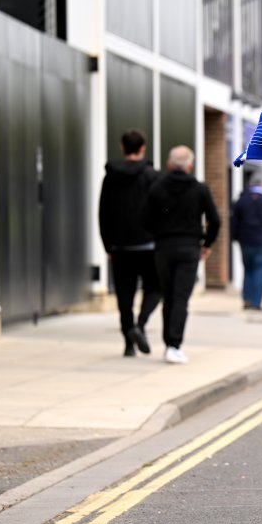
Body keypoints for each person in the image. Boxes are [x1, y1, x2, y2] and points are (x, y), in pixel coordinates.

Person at [141, 146, 221, 364]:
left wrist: (159, 233)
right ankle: (174, 345)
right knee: (181, 298)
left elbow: (144, 219)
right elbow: (215, 220)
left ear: (168, 164)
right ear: (190, 165)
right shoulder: (200, 189)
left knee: (168, 296)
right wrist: (207, 243)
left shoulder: (157, 188)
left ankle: (169, 343)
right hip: (189, 247)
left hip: (164, 248)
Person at [98, 129, 161, 357]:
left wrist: (107, 245)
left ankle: (129, 343)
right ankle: (140, 325)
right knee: (155, 287)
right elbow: (161, 209)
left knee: (124, 295)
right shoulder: (152, 176)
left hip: (119, 246)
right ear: (142, 148)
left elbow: (103, 212)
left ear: (123, 148)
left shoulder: (110, 177)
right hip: (149, 245)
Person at [231, 174, 262, 311]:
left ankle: (247, 298)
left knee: (248, 271)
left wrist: (235, 237)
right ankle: (256, 302)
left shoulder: (241, 201)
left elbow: (234, 222)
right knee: (260, 272)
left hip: (245, 241)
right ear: (261, 185)